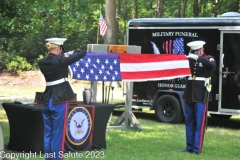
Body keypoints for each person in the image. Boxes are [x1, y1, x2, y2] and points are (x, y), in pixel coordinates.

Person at [38, 37, 86, 160]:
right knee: (58, 133)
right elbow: (81, 53)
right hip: (58, 100)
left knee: (48, 133)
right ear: (59, 48)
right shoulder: (60, 60)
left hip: (47, 98)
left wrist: (64, 55)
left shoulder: (42, 62)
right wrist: (74, 51)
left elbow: (58, 59)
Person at [182, 40, 216, 154]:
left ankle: (197, 149)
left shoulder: (208, 58)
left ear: (202, 50)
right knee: (189, 121)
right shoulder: (189, 59)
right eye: (194, 52)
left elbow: (212, 65)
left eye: (197, 51)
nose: (195, 54)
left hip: (201, 95)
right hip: (189, 94)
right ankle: (189, 147)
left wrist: (197, 58)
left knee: (199, 122)